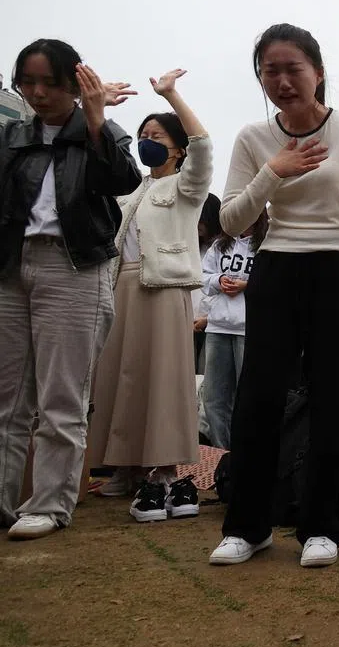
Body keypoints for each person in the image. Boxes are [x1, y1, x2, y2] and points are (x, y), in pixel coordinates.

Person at [208, 23, 339, 569]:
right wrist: (272, 172)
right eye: (271, 71)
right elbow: (232, 219)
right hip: (278, 267)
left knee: (335, 397)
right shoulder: (253, 138)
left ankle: (322, 526)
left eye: (294, 69)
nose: (283, 81)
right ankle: (248, 525)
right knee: (260, 396)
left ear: (318, 73)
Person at [0, 39, 140, 540]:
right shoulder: (13, 137)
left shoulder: (100, 132)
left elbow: (122, 179)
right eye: (26, 82)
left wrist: (97, 117)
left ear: (74, 84)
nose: (37, 93)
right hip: (12, 268)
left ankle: (49, 504)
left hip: (75, 268)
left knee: (62, 396)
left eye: (50, 83)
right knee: (7, 398)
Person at [87, 69, 213, 525]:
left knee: (163, 378)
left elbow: (203, 147)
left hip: (164, 286)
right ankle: (123, 467)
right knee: (121, 377)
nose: (147, 140)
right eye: (142, 134)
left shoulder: (186, 186)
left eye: (157, 135)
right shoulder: (133, 189)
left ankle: (162, 469)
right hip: (121, 285)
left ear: (177, 147)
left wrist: (172, 95)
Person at [199, 208, 268, 450]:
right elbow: (202, 276)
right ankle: (222, 453)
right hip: (218, 326)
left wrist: (247, 285)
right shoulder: (219, 245)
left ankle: (246, 453)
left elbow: (273, 282)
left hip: (250, 328)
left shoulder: (267, 245)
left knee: (247, 396)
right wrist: (218, 281)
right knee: (213, 397)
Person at [193, 193, 223, 374]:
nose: (198, 225)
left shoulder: (221, 248)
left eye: (202, 220)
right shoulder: (191, 249)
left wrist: (206, 319)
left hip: (212, 321)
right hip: (190, 321)